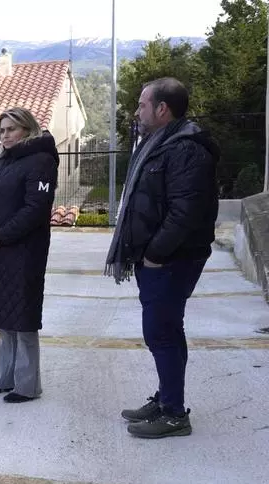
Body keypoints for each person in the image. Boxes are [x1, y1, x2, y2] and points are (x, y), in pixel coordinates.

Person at [104, 77, 219, 439]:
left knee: (161, 332)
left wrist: (155, 254)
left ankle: (173, 414)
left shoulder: (185, 149)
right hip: (161, 258)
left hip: (171, 260)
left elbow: (184, 212)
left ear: (162, 109)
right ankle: (167, 398)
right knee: (168, 330)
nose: (137, 111)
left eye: (142, 105)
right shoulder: (162, 143)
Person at [0, 107, 58, 403]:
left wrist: (0, 238)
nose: (5, 135)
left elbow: (35, 209)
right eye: (2, 130)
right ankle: (4, 378)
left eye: (11, 129)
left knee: (23, 320)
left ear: (27, 129)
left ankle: (27, 385)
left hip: (24, 252)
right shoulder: (2, 160)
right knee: (3, 317)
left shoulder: (41, 161)